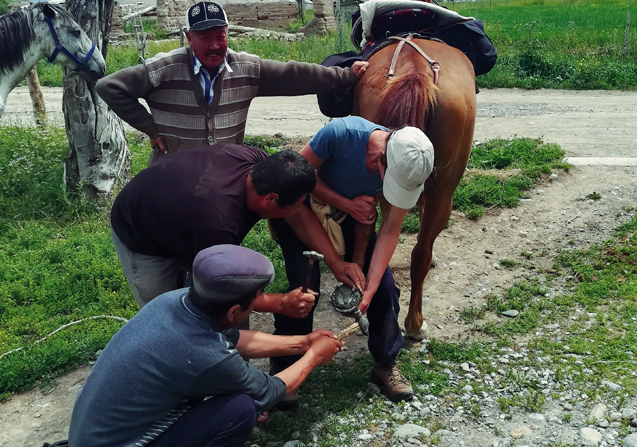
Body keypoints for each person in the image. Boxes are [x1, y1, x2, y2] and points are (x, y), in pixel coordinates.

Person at [68, 244, 343, 447]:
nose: (260, 299)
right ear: (234, 310)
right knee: (239, 410)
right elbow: (270, 392)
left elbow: (234, 337)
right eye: (257, 297)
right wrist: (314, 357)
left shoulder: (176, 301)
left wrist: (303, 342)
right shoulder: (205, 354)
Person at [271, 116, 434, 402]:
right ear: (382, 157)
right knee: (304, 289)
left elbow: (390, 230)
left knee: (383, 287)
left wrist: (368, 290)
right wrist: (346, 204)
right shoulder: (341, 133)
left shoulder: (410, 162)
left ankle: (385, 363)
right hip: (305, 207)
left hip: (352, 216)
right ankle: (285, 365)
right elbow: (297, 180)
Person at [96, 0, 368, 165]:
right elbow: (110, 86)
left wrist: (345, 76)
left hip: (222, 178)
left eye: (221, 36)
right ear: (189, 38)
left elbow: (293, 75)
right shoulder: (163, 68)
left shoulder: (245, 68)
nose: (215, 45)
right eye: (205, 37)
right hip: (171, 175)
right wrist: (150, 129)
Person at [110, 143, 365, 310]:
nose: (298, 209)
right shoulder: (219, 223)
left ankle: (226, 361)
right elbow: (224, 286)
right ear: (270, 200)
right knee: (168, 315)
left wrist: (335, 261)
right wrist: (281, 303)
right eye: (294, 204)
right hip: (141, 230)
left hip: (180, 211)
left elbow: (297, 215)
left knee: (216, 311)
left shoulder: (259, 163)